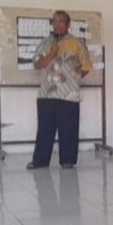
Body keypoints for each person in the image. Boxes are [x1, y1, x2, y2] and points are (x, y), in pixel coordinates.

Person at [28, 10, 92, 170]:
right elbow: (37, 65)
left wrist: (72, 78)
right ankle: (40, 161)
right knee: (44, 130)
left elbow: (86, 67)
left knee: (69, 130)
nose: (57, 25)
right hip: (46, 94)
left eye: (61, 21)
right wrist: (50, 56)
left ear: (68, 24)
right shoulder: (45, 43)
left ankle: (68, 161)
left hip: (69, 95)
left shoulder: (77, 44)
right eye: (55, 21)